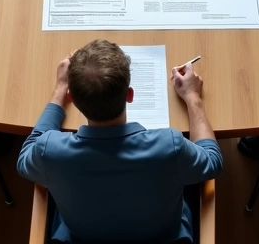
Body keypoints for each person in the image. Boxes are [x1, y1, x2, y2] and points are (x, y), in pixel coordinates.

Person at [17, 40, 222, 243]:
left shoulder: (50, 151)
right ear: (130, 95)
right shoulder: (170, 146)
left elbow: (26, 154)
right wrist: (192, 97)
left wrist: (60, 89)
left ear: (72, 99)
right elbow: (213, 161)